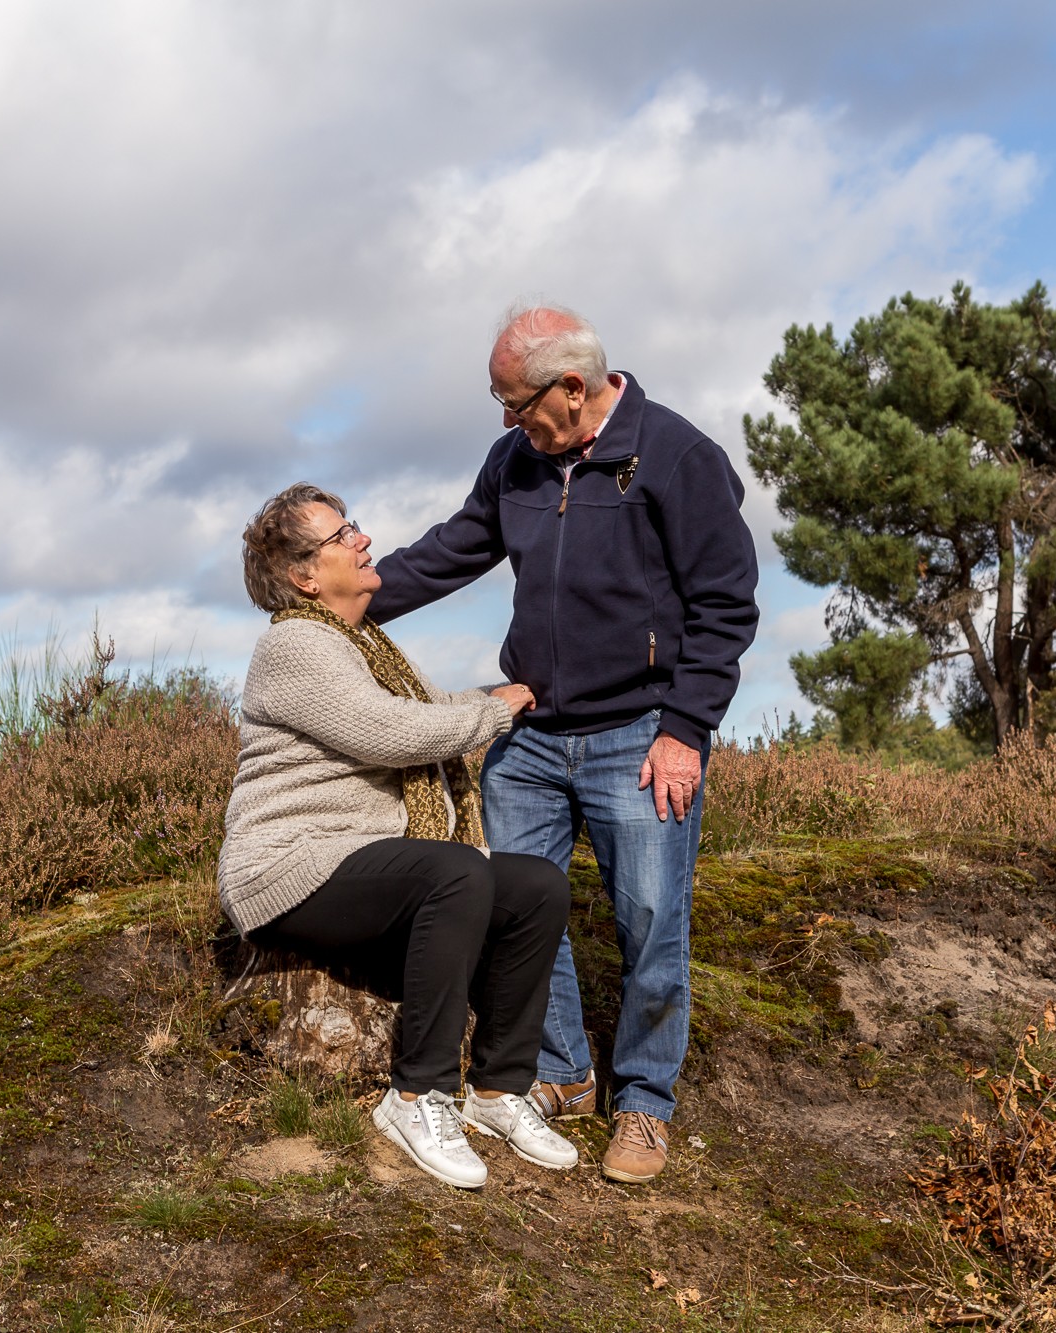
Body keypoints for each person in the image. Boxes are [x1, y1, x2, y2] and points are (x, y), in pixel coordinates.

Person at [368, 305, 759, 1184]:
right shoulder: (517, 461)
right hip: (534, 733)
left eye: (515, 404)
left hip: (643, 737)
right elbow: (455, 548)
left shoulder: (679, 457)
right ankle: (563, 1071)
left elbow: (727, 605)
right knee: (520, 906)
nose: (506, 422)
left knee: (652, 921)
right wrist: (351, 595)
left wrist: (685, 729)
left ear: (572, 389)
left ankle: (647, 1103)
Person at [217, 482, 578, 1190]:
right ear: (305, 576)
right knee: (457, 872)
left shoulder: (367, 645)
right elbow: (392, 733)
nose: (362, 539)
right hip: (288, 869)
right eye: (341, 535)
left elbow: (431, 707)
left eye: (353, 527)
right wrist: (494, 711)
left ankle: (500, 1088)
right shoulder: (294, 647)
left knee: (536, 885)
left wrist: (500, 699)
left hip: (358, 858)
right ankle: (416, 1096)